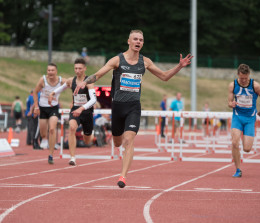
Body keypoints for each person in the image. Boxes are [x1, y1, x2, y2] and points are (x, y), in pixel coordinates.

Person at [74, 30, 193, 188]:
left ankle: (122, 176)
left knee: (128, 140)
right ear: (128, 41)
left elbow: (164, 76)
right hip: (117, 107)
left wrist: (179, 66)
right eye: (135, 39)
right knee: (117, 143)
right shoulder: (117, 60)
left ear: (143, 43)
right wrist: (84, 82)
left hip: (133, 107)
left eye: (141, 40)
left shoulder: (145, 62)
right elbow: (98, 74)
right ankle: (120, 151)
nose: (138, 42)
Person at [48, 58, 96, 165]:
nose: (77, 70)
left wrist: (82, 108)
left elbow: (93, 100)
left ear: (84, 69)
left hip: (87, 112)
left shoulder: (89, 82)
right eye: (76, 68)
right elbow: (61, 88)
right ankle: (72, 157)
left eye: (80, 68)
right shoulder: (71, 80)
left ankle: (90, 134)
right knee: (72, 128)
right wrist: (52, 94)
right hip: (75, 110)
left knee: (87, 140)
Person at [228, 64, 260, 177]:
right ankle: (238, 170)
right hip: (237, 117)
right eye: (241, 78)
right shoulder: (232, 85)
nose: (244, 80)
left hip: (250, 119)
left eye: (245, 78)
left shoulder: (255, 86)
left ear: (249, 75)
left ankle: (243, 152)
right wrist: (232, 104)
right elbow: (229, 102)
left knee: (247, 149)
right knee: (235, 142)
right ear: (238, 75)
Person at [33, 63, 66, 164]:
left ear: (56, 71)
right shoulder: (43, 80)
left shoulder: (61, 81)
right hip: (43, 108)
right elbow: (35, 92)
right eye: (49, 70)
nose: (50, 72)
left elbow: (72, 84)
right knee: (43, 134)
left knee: (52, 129)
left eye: (52, 70)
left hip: (53, 108)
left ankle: (51, 154)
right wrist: (36, 106)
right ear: (47, 72)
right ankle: (44, 140)